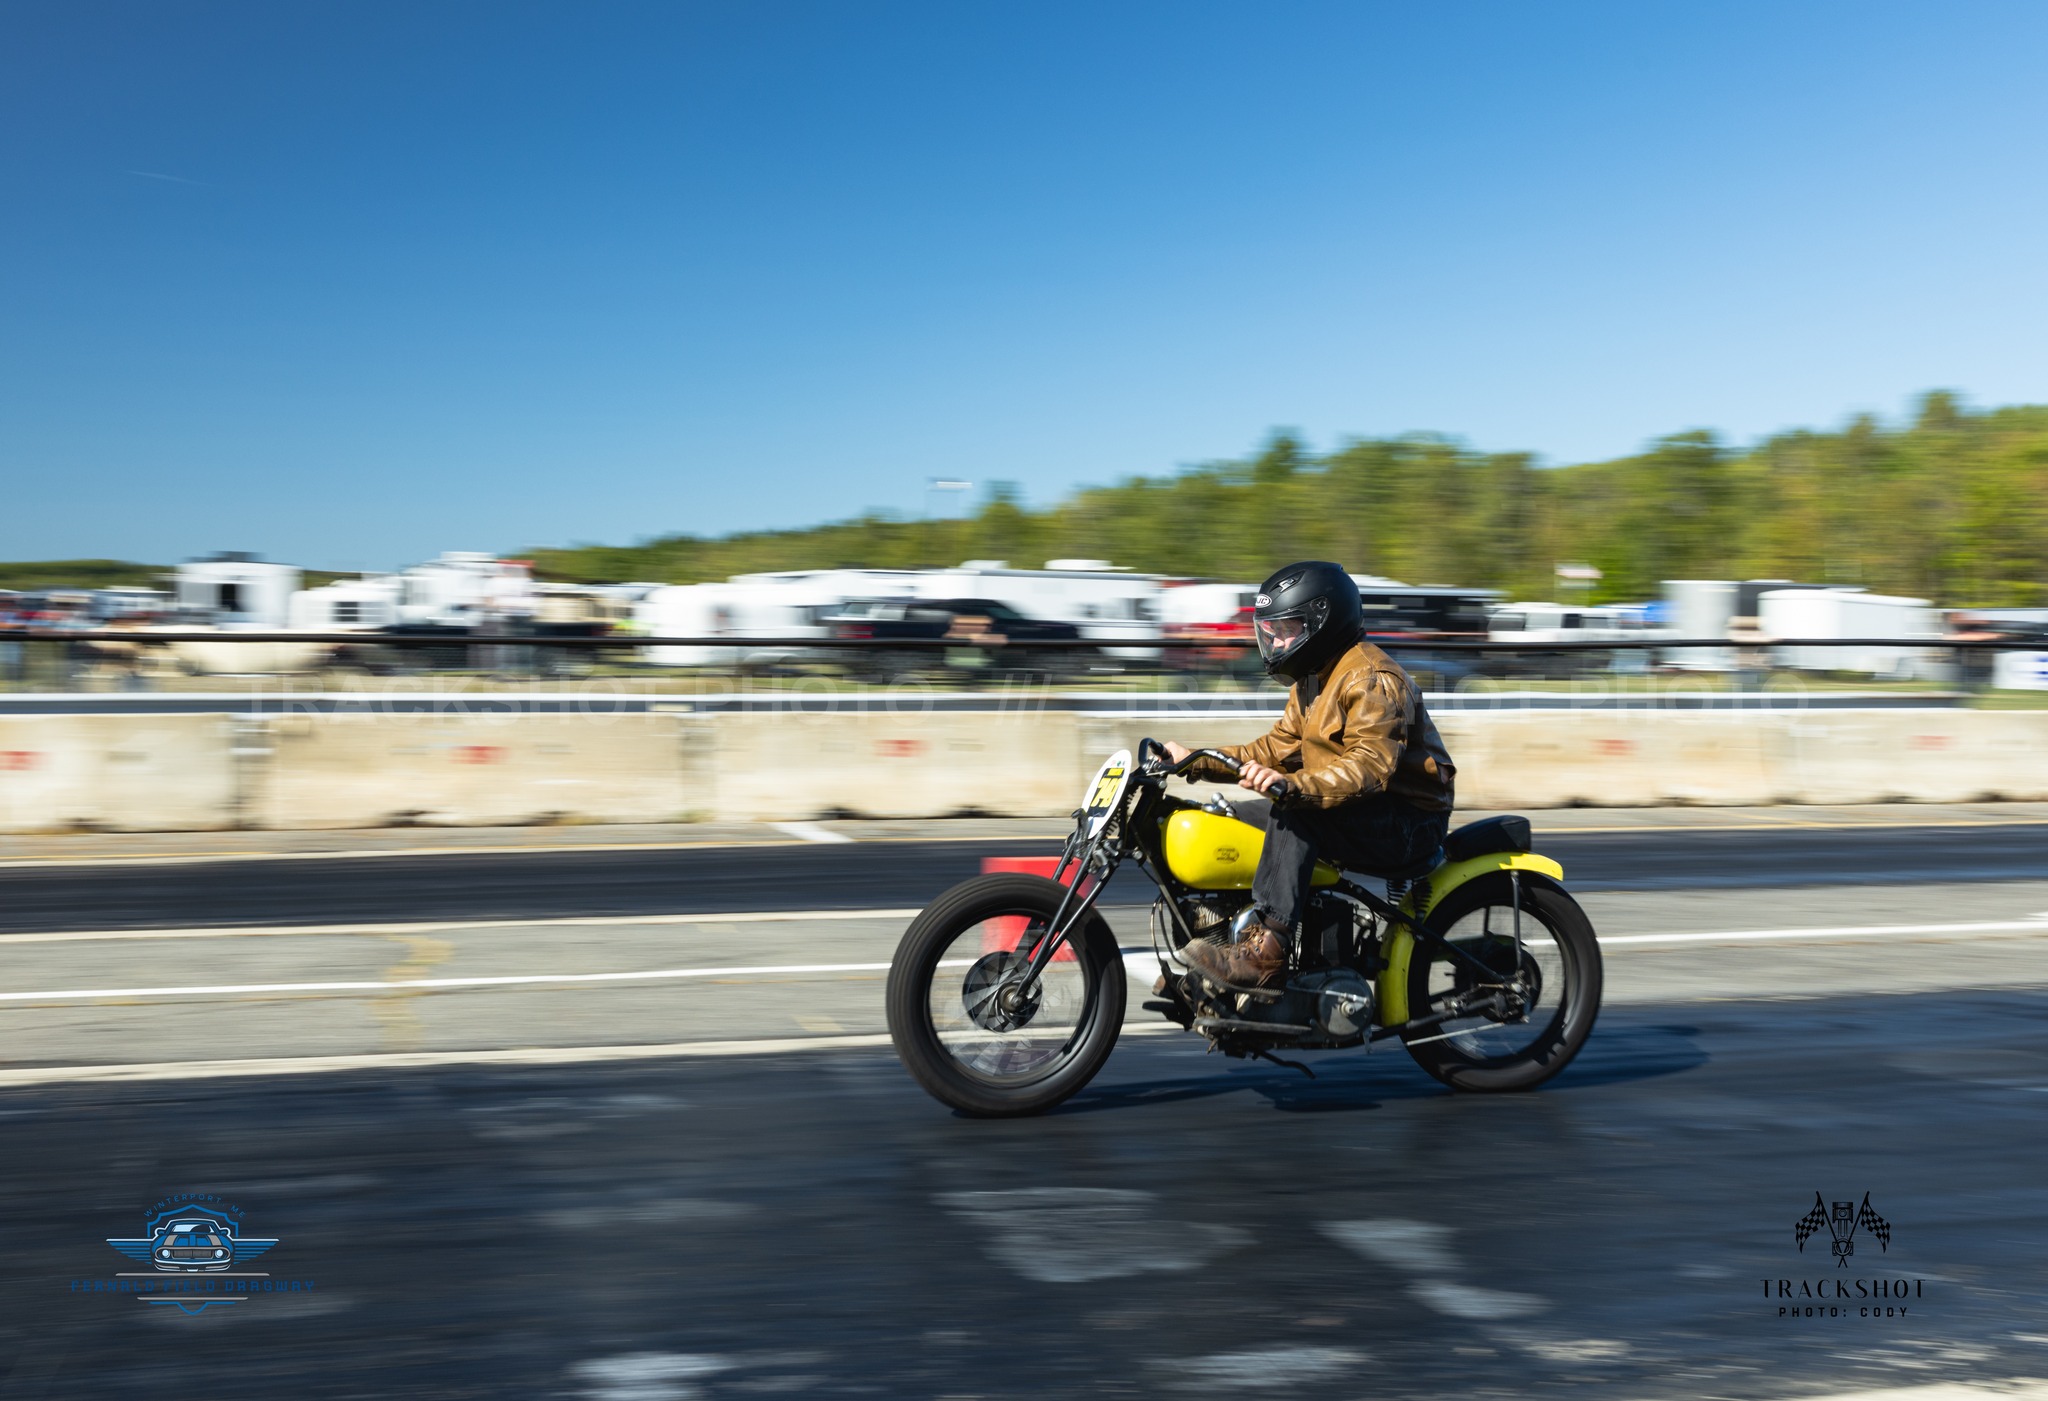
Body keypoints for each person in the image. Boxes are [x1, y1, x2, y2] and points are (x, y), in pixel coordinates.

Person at [1162, 560, 1456, 987]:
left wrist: (1294, 786)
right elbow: (1271, 750)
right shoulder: (1313, 680)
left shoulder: (1371, 679)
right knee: (1227, 817)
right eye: (1272, 630)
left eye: (1288, 628)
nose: (1278, 640)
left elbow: (1370, 767)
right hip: (1357, 810)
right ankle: (1220, 925)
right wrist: (1192, 760)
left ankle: (1267, 953)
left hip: (1407, 821)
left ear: (1325, 620)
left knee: (1294, 814)